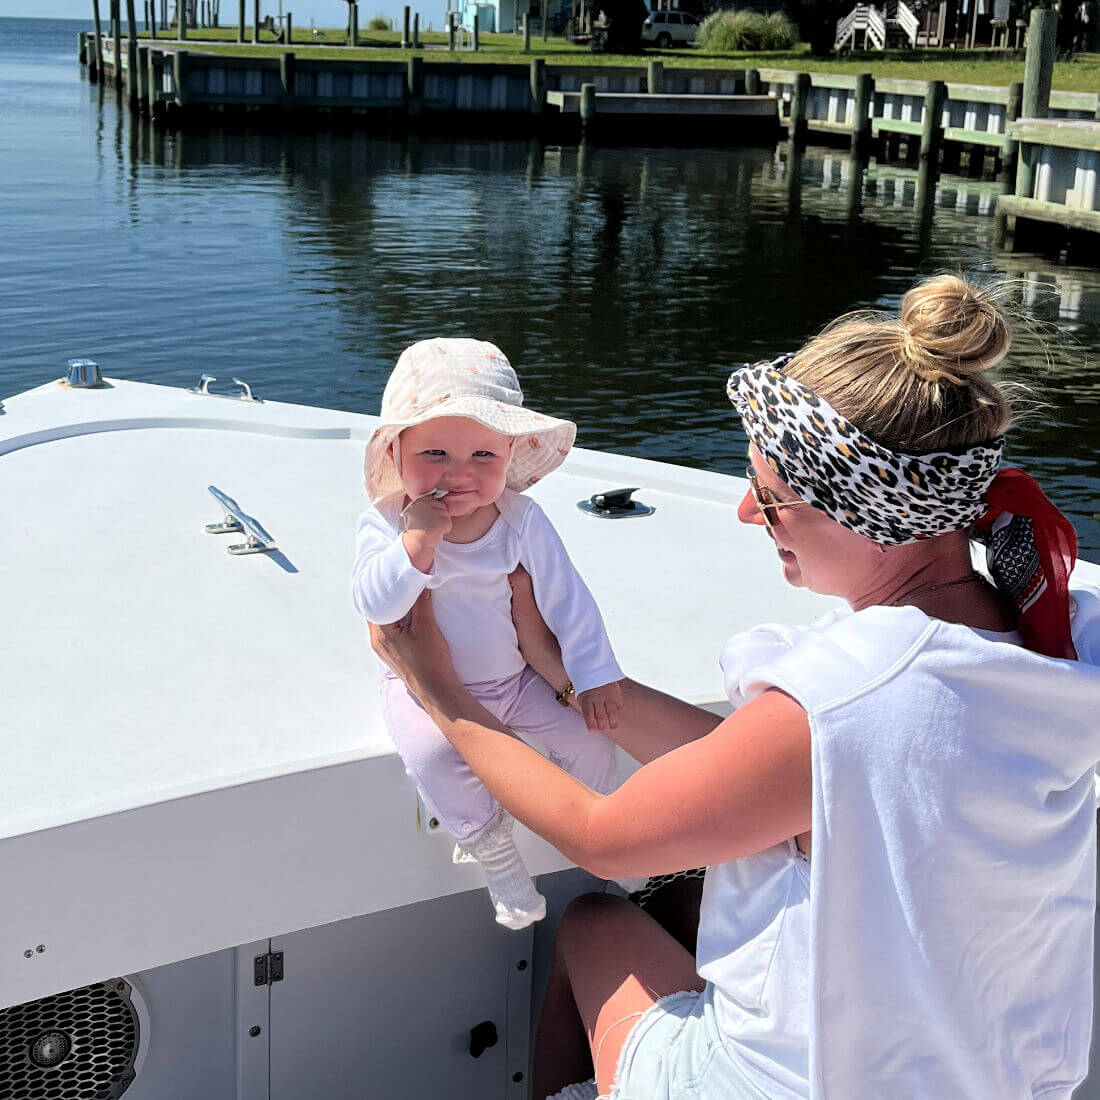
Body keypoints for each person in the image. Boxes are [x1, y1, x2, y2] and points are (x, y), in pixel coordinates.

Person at [370, 276, 1100, 1100]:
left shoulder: (849, 696)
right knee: (686, 914)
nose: (749, 515)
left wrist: (440, 692)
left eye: (775, 497)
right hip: (986, 1080)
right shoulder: (1038, 635)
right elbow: (769, 768)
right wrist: (571, 679)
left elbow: (606, 838)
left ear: (867, 514)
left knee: (597, 925)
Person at [351, 337, 625, 931]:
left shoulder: (520, 521)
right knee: (430, 753)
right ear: (396, 453)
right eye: (437, 453)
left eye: (483, 456)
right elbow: (374, 603)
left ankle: (606, 831)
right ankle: (495, 853)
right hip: (419, 688)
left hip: (516, 678)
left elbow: (568, 599)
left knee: (590, 737)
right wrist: (417, 543)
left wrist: (595, 673)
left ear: (510, 455)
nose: (460, 473)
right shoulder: (386, 523)